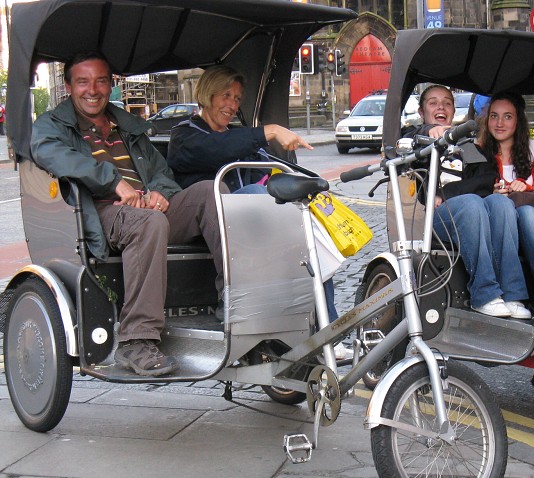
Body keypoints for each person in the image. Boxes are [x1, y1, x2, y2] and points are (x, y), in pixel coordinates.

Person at [30, 51, 225, 377]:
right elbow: (54, 157)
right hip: (102, 211)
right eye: (83, 81)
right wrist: (115, 183)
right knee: (149, 222)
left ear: (111, 84)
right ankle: (136, 341)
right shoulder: (51, 126)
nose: (92, 89)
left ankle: (233, 302)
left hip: (147, 208)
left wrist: (162, 193)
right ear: (68, 86)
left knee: (211, 193)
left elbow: (161, 171)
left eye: (101, 81)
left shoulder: (126, 125)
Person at [167, 65, 351, 359]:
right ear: (207, 94)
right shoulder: (185, 135)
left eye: (237, 98)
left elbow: (261, 174)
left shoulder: (240, 139)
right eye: (225, 95)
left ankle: (327, 327)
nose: (231, 105)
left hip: (251, 225)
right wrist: (269, 131)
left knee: (306, 225)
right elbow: (214, 150)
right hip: (206, 223)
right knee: (254, 197)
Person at [403, 85, 531, 319]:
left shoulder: (467, 145)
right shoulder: (417, 137)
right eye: (433, 102)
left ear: (454, 110)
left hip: (464, 209)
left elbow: (484, 179)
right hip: (435, 218)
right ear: (422, 111)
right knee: (473, 202)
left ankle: (513, 293)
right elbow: (402, 142)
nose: (441, 106)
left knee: (501, 204)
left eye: (447, 103)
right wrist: (431, 129)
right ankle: (484, 294)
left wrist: (448, 192)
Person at [476, 92, 534, 281]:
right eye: (494, 116)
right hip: (496, 223)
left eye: (507, 117)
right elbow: (472, 189)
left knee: (527, 213)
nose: (499, 123)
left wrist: (524, 187)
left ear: (518, 120)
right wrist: (490, 193)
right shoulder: (477, 152)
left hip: (531, 221)